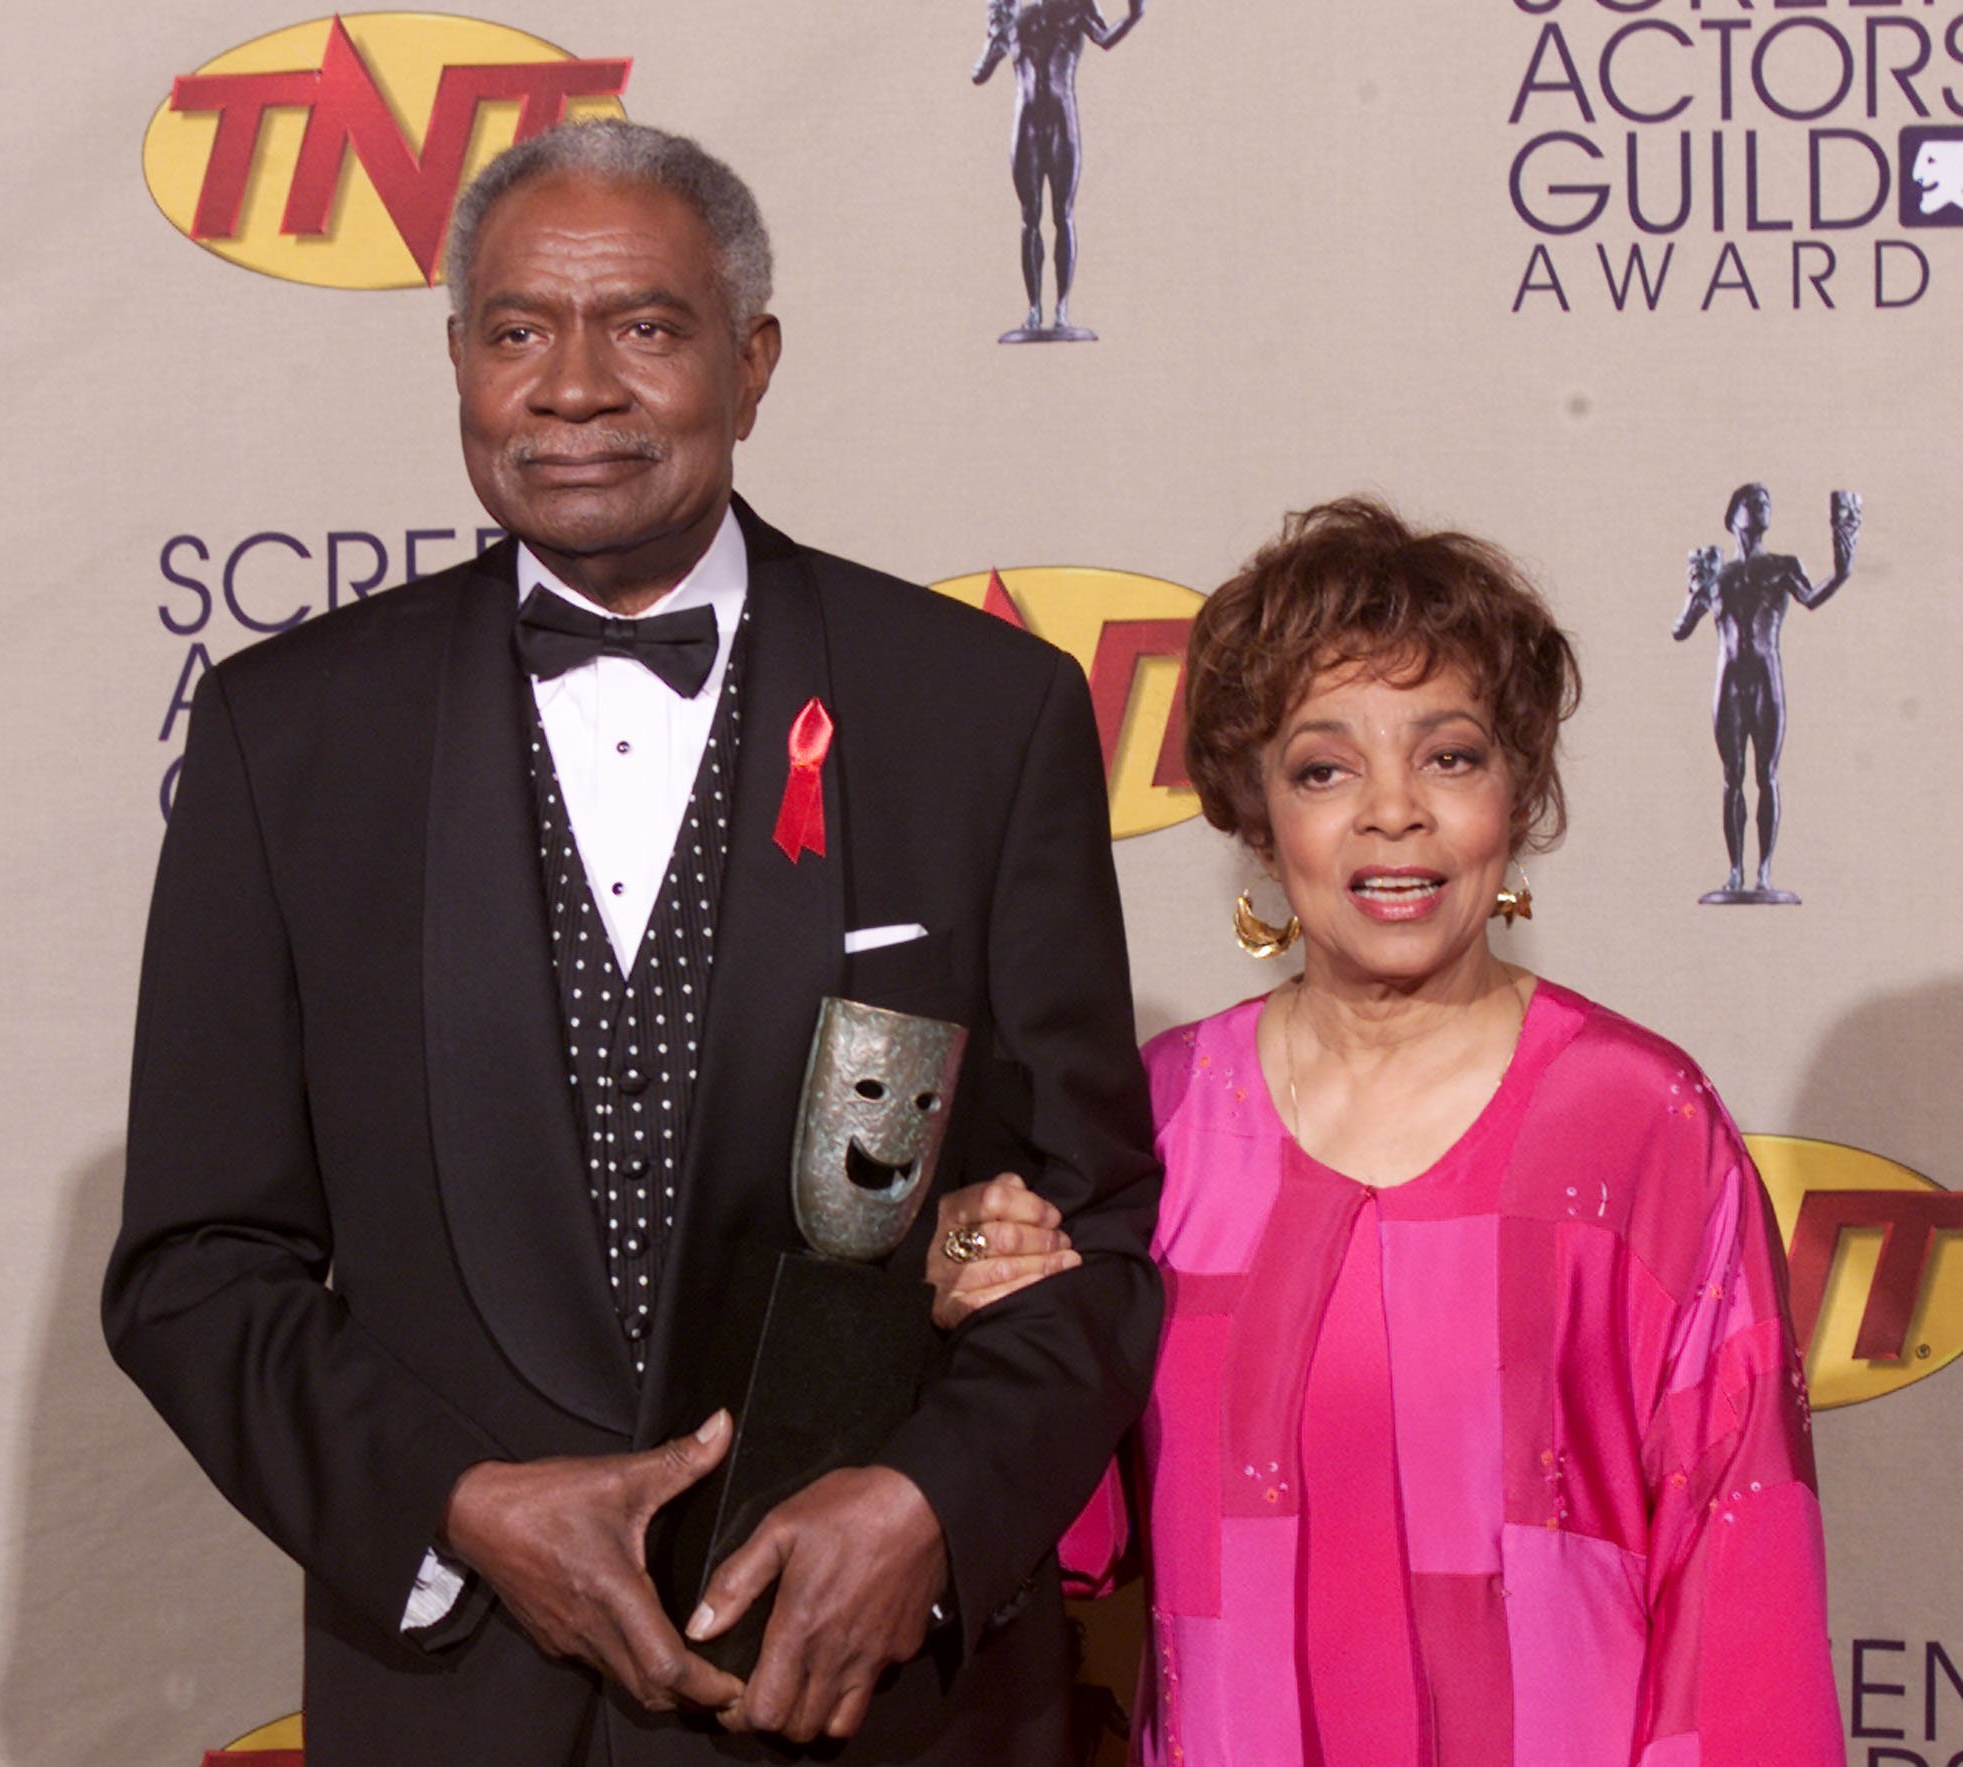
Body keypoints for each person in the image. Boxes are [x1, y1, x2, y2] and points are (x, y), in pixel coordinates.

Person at [104, 119, 1161, 1767]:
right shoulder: (284, 739)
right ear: (459, 360)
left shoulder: (978, 712)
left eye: (647, 329)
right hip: (466, 1701)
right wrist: (455, 1504)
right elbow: (195, 1265)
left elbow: (1086, 1231)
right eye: (520, 330)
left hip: (876, 1699)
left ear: (753, 363)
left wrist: (927, 1512)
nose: (575, 385)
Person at [931, 499, 1844, 1764]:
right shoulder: (1159, 1119)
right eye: (1323, 768)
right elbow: (1073, 1542)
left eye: (1449, 756)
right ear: (1255, 817)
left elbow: (1742, 1585)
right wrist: (992, 1307)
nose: (1392, 813)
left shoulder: (1642, 1128)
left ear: (1516, 794)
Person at [1672, 482, 1860, 905]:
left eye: (1765, 503)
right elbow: (1681, 629)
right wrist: (1692, 594)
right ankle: (1736, 871)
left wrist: (1843, 571)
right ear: (1733, 515)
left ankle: (1764, 872)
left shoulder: (1782, 565)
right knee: (1731, 775)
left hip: (1765, 673)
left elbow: (1811, 598)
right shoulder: (1717, 573)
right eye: (1752, 502)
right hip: (1729, 678)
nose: (1761, 508)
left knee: (1766, 775)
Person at [972, 0, 1148, 341]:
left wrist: (1132, 16)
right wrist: (995, 38)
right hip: (1026, 122)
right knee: (1030, 215)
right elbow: (979, 73)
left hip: (1061, 117)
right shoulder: (1009, 8)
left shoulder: (1076, 3)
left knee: (1062, 214)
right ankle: (1034, 310)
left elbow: (1105, 38)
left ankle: (1061, 310)